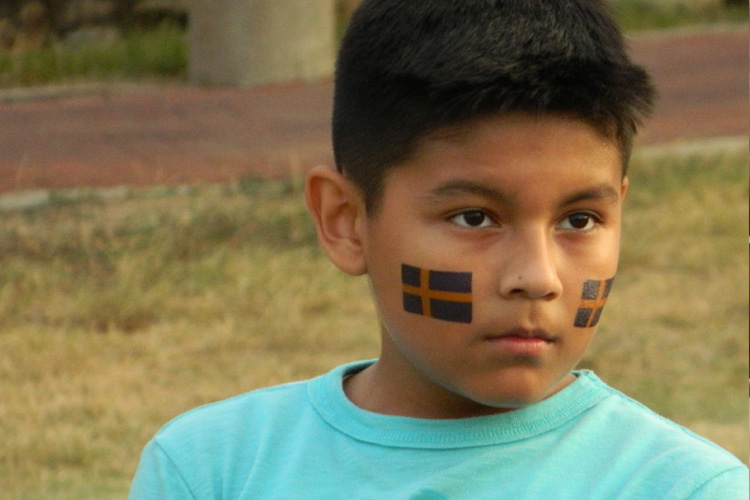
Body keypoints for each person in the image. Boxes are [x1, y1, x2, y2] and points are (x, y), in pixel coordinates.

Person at [128, 1, 749, 498]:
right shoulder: (211, 470)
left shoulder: (684, 487)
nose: (537, 278)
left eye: (580, 220)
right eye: (475, 216)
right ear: (346, 221)